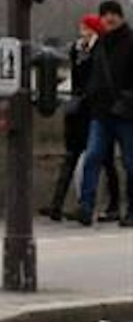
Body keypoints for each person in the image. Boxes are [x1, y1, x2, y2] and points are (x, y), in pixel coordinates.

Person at [43, 17, 113, 221]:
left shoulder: (99, 49)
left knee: (98, 159)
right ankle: (60, 204)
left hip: (93, 110)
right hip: (79, 110)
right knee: (74, 157)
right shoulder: (77, 49)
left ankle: (93, 204)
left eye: (85, 27)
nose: (82, 31)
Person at [73, 0, 133, 226]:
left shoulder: (129, 42)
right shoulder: (100, 44)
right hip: (102, 113)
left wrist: (125, 100)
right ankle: (86, 207)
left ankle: (129, 210)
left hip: (126, 114)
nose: (109, 18)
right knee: (93, 157)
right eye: (105, 14)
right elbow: (94, 77)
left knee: (130, 163)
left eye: (113, 14)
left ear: (120, 17)